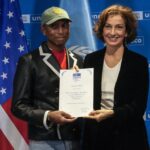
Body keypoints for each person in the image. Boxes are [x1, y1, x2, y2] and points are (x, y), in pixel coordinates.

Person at [11, 6, 83, 150]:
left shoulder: (78, 60)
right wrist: (49, 115)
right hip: (44, 140)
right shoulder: (29, 60)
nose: (61, 31)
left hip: (74, 137)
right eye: (54, 27)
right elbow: (18, 106)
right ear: (44, 30)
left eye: (64, 26)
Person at [82, 4, 149, 150]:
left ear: (126, 31)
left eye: (119, 27)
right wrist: (76, 79)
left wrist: (112, 113)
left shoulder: (138, 62)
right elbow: (84, 98)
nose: (113, 32)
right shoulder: (90, 60)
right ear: (102, 30)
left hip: (129, 138)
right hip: (96, 137)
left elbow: (138, 107)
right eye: (108, 26)